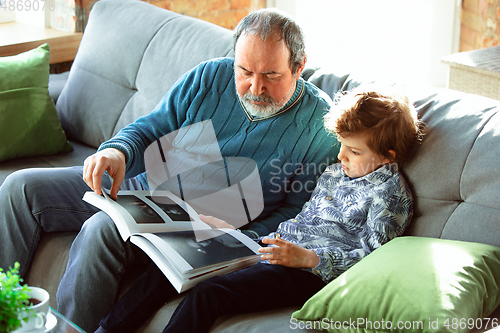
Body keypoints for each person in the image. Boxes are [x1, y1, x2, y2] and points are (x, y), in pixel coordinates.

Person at [0, 8, 339, 332]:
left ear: (299, 67)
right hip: (139, 186)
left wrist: (238, 239)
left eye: (270, 75)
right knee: (20, 188)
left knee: (102, 228)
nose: (255, 87)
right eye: (244, 71)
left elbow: (299, 215)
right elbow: (153, 126)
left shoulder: (320, 128)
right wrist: (118, 151)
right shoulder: (209, 77)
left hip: (195, 226)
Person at [94, 85, 424, 333]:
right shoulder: (338, 173)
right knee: (176, 265)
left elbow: (375, 260)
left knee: (210, 293)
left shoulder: (390, 197)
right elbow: (301, 220)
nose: (340, 157)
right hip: (272, 249)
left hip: (308, 273)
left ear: (387, 156)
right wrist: (235, 236)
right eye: (341, 146)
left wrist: (310, 259)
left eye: (352, 151)